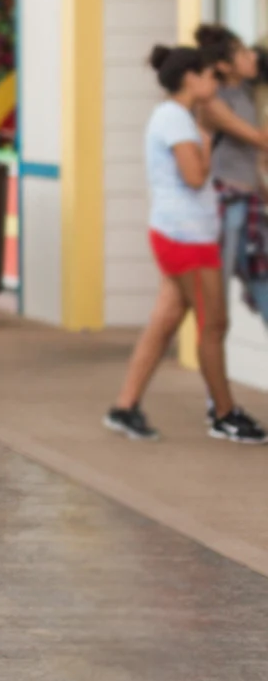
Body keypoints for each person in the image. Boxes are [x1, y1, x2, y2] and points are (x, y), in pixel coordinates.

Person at [105, 45, 268, 445]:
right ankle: (224, 415)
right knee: (214, 325)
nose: (215, 82)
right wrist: (207, 144)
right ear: (191, 78)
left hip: (182, 234)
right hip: (186, 239)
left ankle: (125, 407)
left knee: (164, 324)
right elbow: (194, 177)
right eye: (210, 75)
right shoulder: (176, 119)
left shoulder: (175, 116)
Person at [192, 24, 268, 329]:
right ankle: (211, 346)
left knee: (262, 278)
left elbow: (252, 156)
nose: (253, 57)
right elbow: (258, 139)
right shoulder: (214, 102)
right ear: (224, 66)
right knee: (216, 292)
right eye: (243, 53)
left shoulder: (247, 93)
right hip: (227, 204)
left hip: (249, 201)